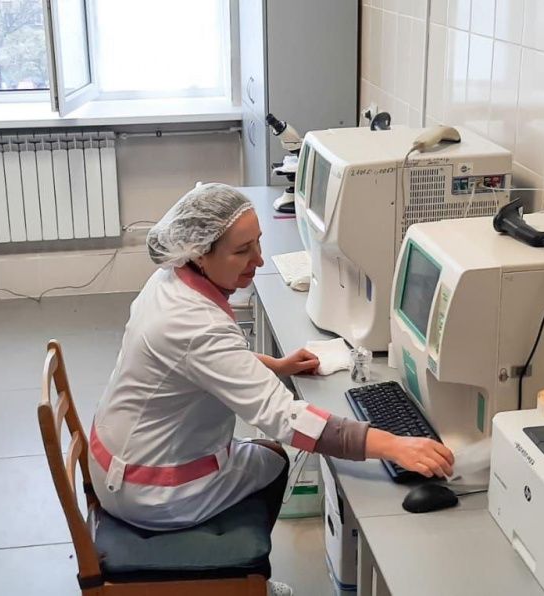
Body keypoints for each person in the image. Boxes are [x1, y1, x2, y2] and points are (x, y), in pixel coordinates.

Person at [89, 183, 453, 596]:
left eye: (258, 242)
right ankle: (245, 581)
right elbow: (285, 418)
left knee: (259, 454)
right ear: (201, 253)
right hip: (149, 492)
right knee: (275, 460)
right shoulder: (194, 325)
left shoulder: (170, 280)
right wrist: (394, 445)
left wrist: (276, 366)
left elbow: (200, 363)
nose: (259, 259)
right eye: (242, 251)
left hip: (115, 458)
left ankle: (244, 579)